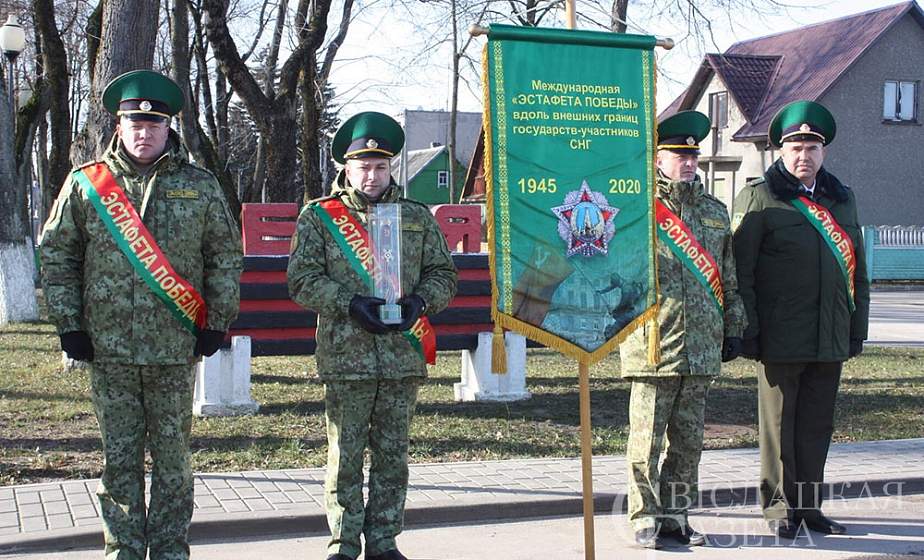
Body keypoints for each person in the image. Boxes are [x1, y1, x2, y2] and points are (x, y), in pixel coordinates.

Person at [39, 69, 243, 559]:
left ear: (168, 128)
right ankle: (123, 550)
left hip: (175, 348)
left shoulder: (200, 184)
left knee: (174, 460)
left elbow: (224, 256)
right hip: (109, 349)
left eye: (155, 124)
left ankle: (171, 549)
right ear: (119, 125)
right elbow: (57, 255)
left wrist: (216, 321)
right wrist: (70, 324)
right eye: (135, 123)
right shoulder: (88, 185)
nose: (145, 132)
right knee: (120, 460)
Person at [287, 111, 458, 560]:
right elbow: (301, 280)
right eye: (363, 166)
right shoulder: (321, 217)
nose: (372, 174)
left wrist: (421, 302)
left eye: (380, 166)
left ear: (391, 168)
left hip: (402, 357)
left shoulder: (416, 216)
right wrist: (349, 303)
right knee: (345, 456)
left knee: (392, 457)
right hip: (347, 358)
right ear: (346, 166)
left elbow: (444, 274)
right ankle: (343, 544)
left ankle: (383, 541)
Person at [732, 100, 869, 539]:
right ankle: (778, 512)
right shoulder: (759, 196)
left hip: (828, 335)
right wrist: (748, 331)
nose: (803, 155)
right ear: (780, 151)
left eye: (812, 146)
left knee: (815, 427)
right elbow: (742, 271)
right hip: (779, 335)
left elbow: (858, 271)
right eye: (795, 147)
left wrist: (855, 328)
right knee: (778, 428)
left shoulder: (841, 198)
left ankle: (810, 509)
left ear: (823, 151)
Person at [620, 110, 746, 549]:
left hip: (701, 346)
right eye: (678, 154)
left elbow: (728, 275)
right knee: (646, 443)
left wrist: (733, 326)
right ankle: (643, 517)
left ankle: (676, 515)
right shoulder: (636, 208)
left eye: (692, 155)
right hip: (653, 344)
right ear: (658, 157)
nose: (688, 162)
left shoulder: (713, 211)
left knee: (689, 442)